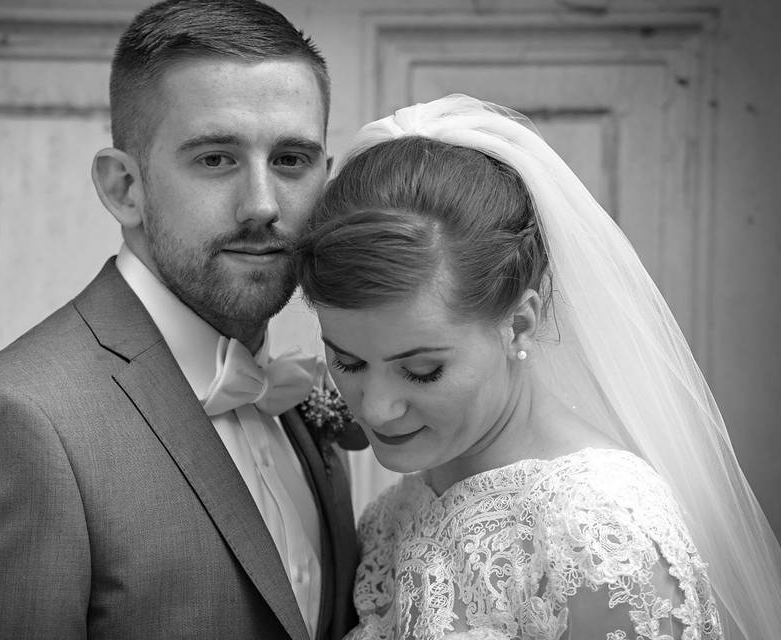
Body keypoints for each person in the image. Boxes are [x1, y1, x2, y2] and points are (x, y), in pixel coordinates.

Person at [0, 1, 359, 638]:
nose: (263, 205)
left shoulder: (308, 402)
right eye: (216, 158)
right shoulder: (12, 429)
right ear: (123, 187)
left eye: (291, 160)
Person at [294, 94, 781, 639]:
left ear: (519, 324)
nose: (377, 408)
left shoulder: (596, 529)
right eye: (348, 361)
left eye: (423, 369)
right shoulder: (397, 510)